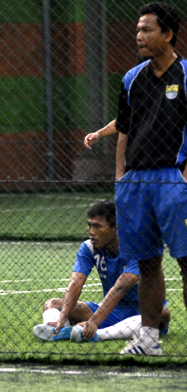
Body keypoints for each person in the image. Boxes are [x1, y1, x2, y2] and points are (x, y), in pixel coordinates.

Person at [114, 2, 187, 356]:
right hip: (136, 183)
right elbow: (124, 131)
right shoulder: (131, 78)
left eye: (147, 30)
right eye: (138, 30)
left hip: (174, 180)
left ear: (168, 34)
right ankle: (148, 338)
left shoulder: (186, 75)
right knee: (147, 263)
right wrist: (120, 178)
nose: (139, 37)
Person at [33, 201, 171, 343]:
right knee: (52, 304)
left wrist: (93, 322)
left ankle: (97, 334)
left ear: (115, 228)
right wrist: (62, 318)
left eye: (97, 226)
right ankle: (61, 330)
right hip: (109, 312)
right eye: (90, 225)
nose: (91, 232)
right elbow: (75, 284)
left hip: (142, 312)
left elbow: (120, 288)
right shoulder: (89, 247)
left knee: (161, 312)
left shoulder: (138, 248)